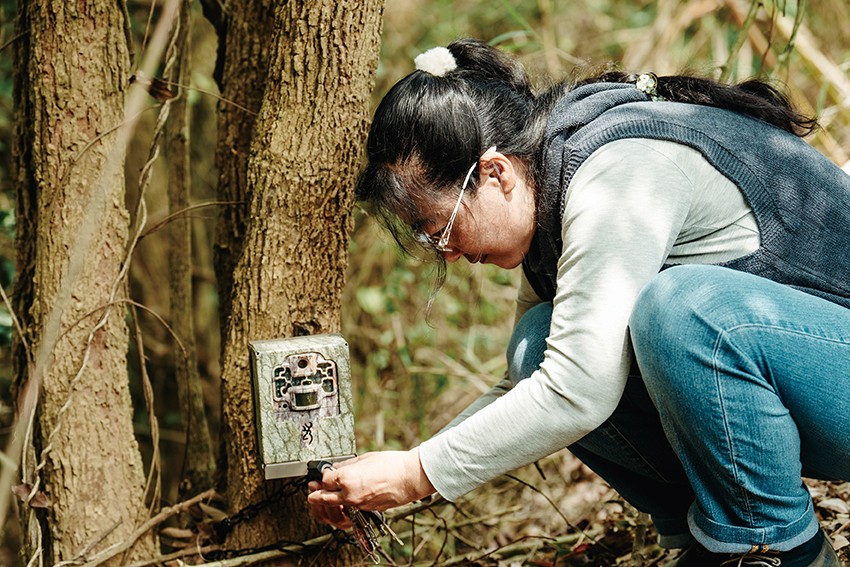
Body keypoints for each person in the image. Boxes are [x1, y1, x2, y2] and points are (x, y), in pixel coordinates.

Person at [307, 38, 850, 566]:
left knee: (684, 309)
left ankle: (778, 547)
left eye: (439, 227)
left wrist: (414, 473)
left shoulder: (615, 179)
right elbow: (537, 380)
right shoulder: (551, 199)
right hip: (804, 382)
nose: (446, 252)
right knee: (534, 349)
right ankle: (710, 537)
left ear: (495, 173)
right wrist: (402, 467)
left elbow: (577, 390)